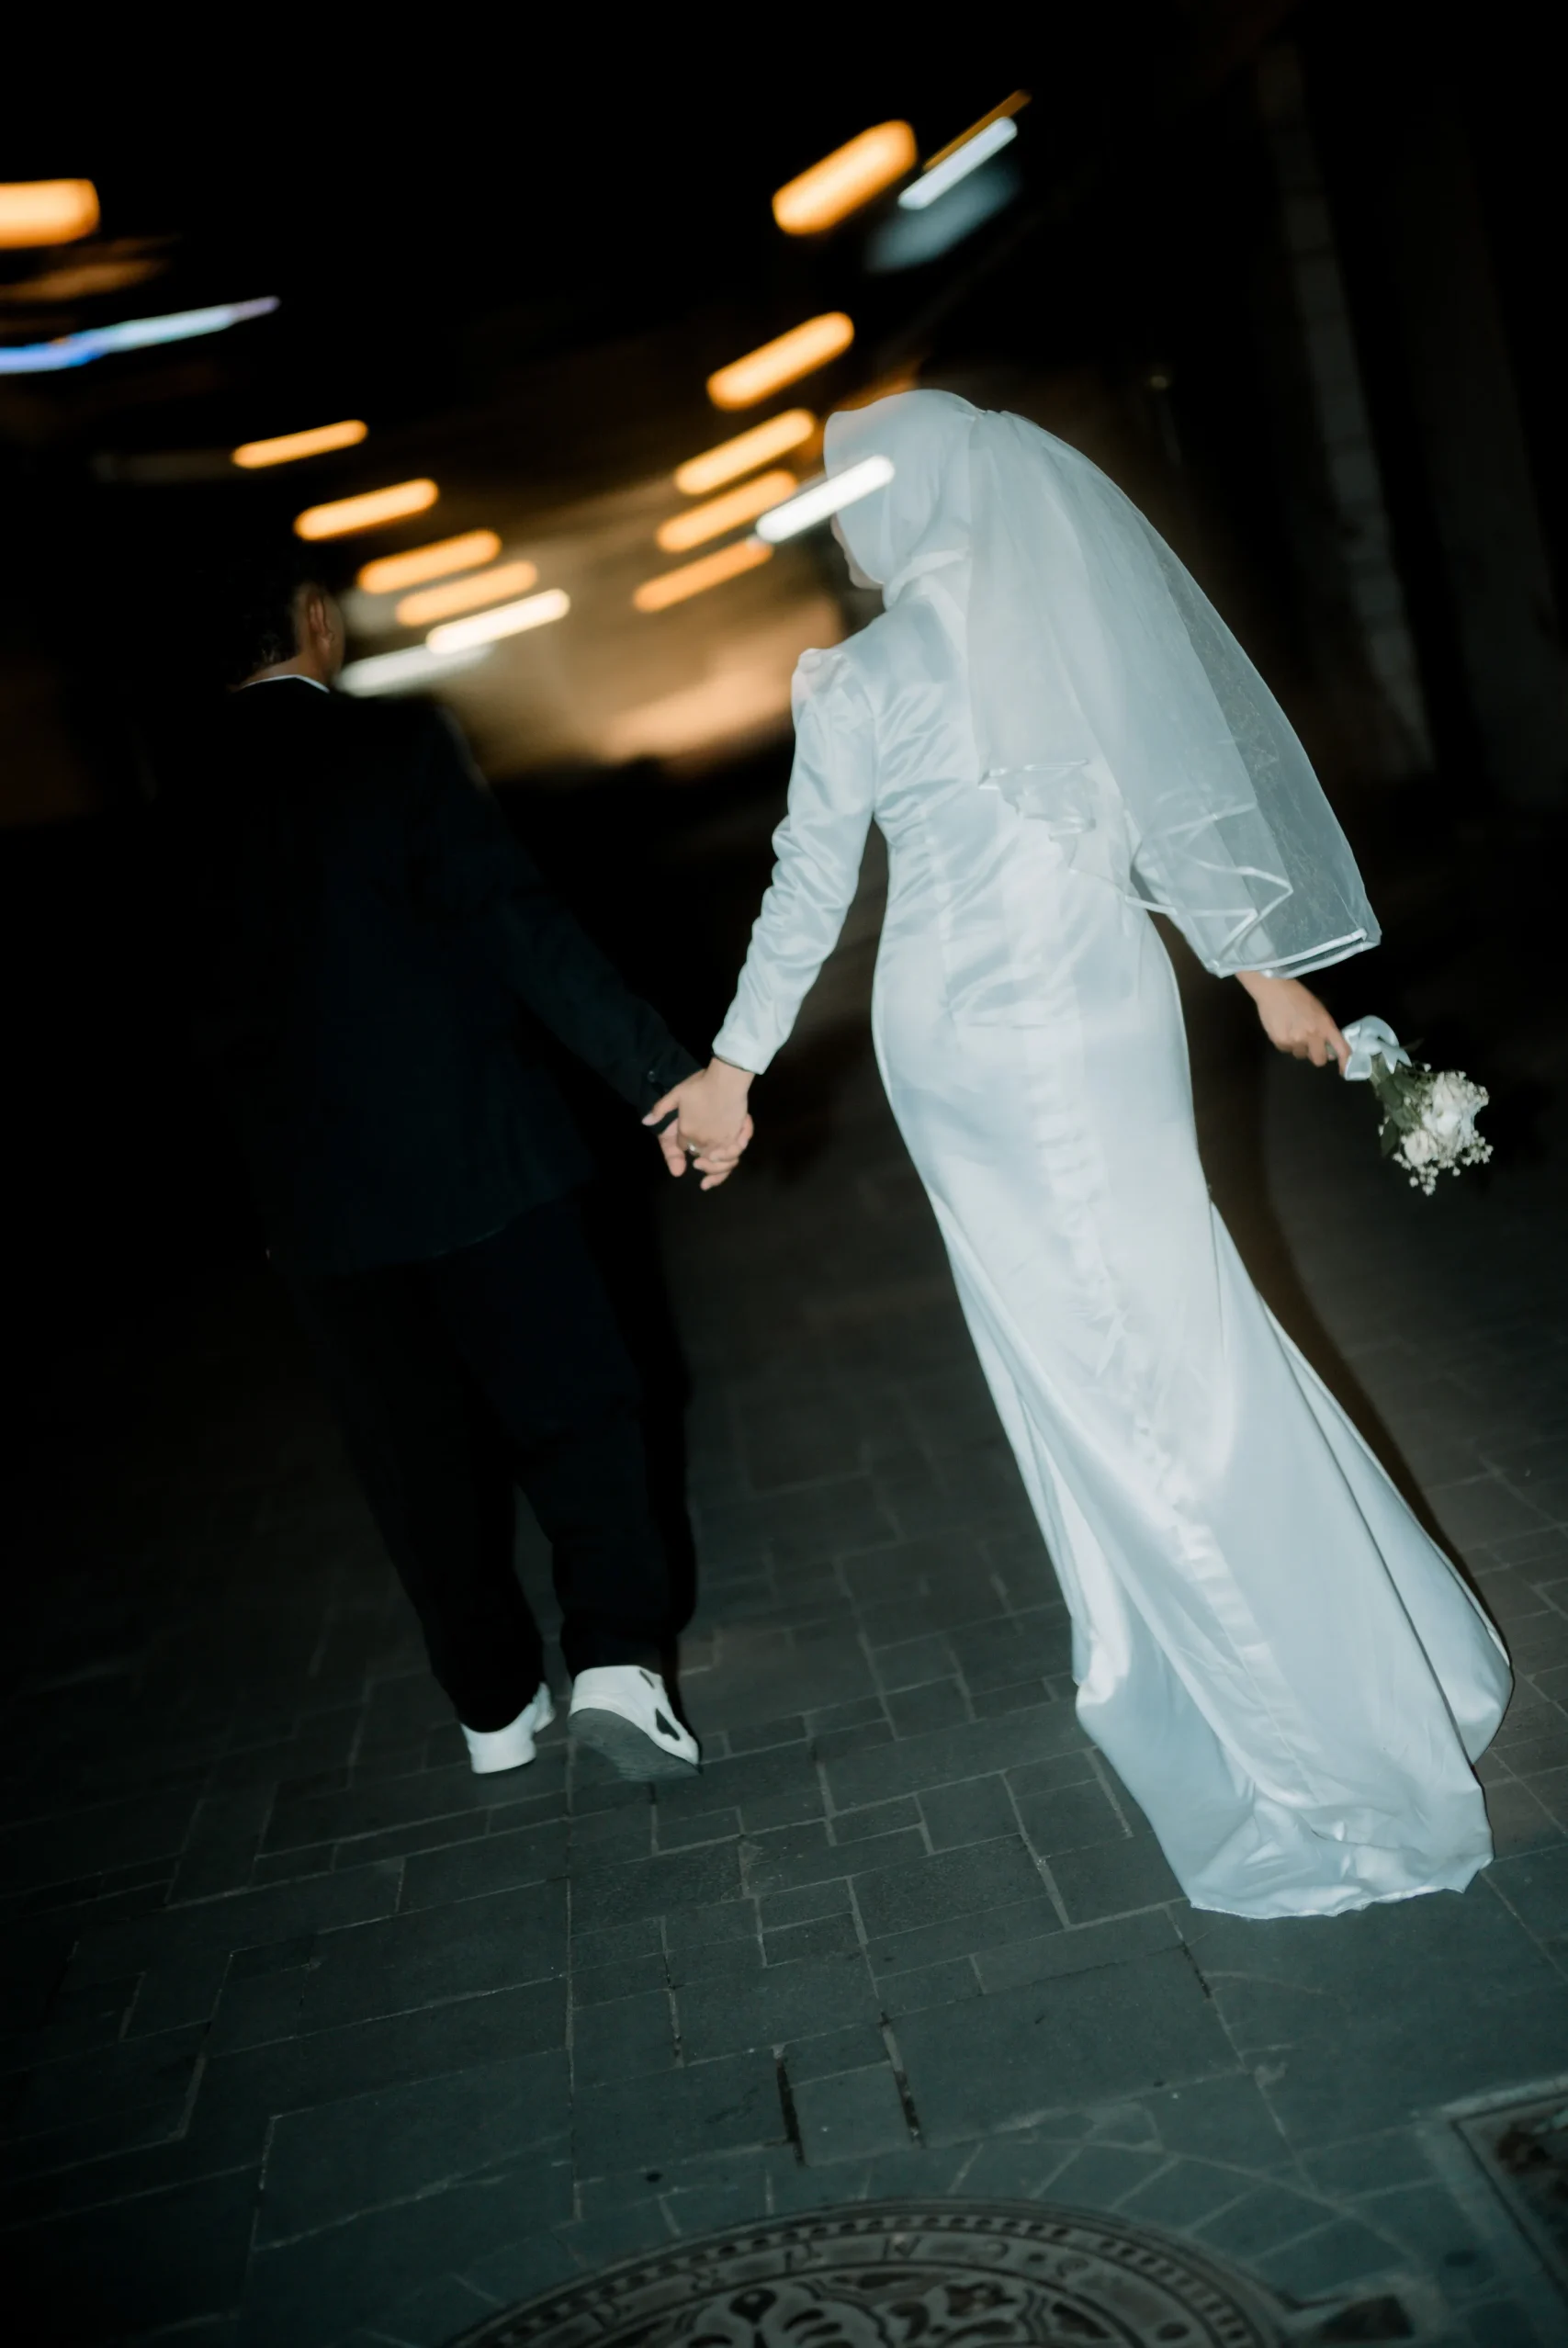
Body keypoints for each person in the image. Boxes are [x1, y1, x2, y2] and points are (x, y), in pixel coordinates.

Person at [654, 390, 1510, 1919]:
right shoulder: (1069, 630)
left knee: (1113, 1373)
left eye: (852, 498)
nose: (846, 530)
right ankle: (1318, 1652)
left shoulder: (861, 676)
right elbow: (1173, 817)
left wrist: (733, 1066)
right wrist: (1260, 975)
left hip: (974, 1051)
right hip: (1113, 1017)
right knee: (1178, 1335)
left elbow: (807, 884)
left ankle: (1313, 1754)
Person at [175, 551, 749, 1781]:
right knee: (579, 1412)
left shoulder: (178, 798)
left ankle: (492, 1709)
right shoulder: (392, 746)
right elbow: (516, 925)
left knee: (412, 1462)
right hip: (484, 1159)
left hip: (316, 1209)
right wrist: (664, 1077)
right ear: (313, 619)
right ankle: (617, 1663)